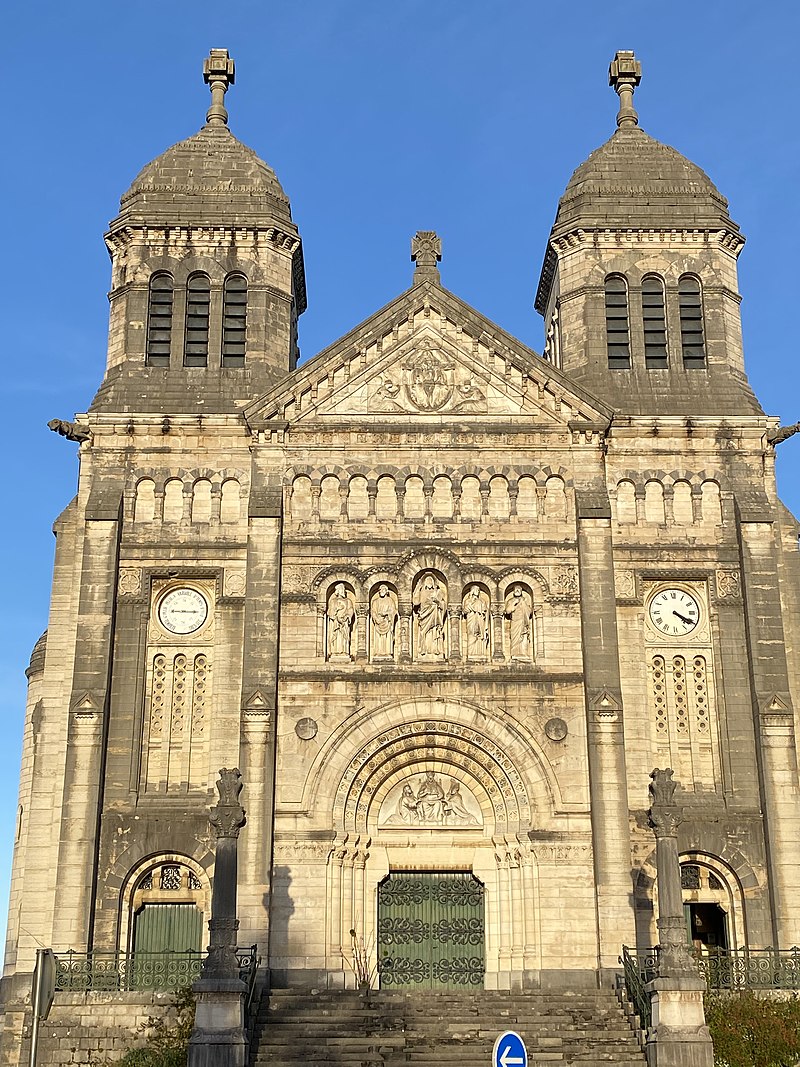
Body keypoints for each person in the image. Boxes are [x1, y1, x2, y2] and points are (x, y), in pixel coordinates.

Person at [413, 572, 446, 657]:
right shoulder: (421, 591)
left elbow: (443, 605)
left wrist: (437, 602)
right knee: (424, 632)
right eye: (427, 580)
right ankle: (423, 650)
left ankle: (435, 650)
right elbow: (415, 602)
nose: (429, 582)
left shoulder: (437, 592)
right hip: (424, 615)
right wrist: (417, 588)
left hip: (435, 615)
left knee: (434, 631)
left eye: (431, 581)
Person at [504, 584, 533, 659]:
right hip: (515, 622)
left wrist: (523, 603)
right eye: (516, 589)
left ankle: (524, 653)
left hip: (523, 621)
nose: (517, 591)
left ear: (521, 591)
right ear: (513, 592)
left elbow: (529, 612)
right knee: (515, 638)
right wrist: (514, 603)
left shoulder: (524, 600)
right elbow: (507, 611)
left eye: (519, 589)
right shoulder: (511, 600)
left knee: (524, 637)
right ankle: (514, 654)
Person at [327, 583, 355, 657]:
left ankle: (344, 652)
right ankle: (334, 652)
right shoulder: (333, 601)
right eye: (341, 589)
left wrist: (347, 616)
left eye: (343, 589)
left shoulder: (348, 601)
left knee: (344, 637)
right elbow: (330, 612)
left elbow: (350, 609)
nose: (343, 591)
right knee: (336, 636)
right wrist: (336, 612)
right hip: (335, 622)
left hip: (344, 622)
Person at [370, 584, 397, 658]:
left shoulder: (390, 600)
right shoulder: (376, 601)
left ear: (386, 591)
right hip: (379, 622)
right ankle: (378, 652)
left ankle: (388, 652)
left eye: (384, 590)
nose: (382, 591)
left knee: (387, 637)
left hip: (387, 621)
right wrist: (376, 618)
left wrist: (387, 614)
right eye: (380, 590)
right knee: (378, 637)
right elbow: (373, 611)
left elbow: (393, 611)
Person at [463, 585, 488, 658]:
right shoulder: (467, 601)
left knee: (479, 635)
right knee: (471, 634)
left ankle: (480, 653)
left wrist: (483, 610)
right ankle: (471, 653)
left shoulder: (482, 601)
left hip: (479, 619)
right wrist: (468, 608)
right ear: (472, 591)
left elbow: (485, 611)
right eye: (476, 590)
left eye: (479, 590)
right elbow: (464, 611)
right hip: (471, 618)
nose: (478, 591)